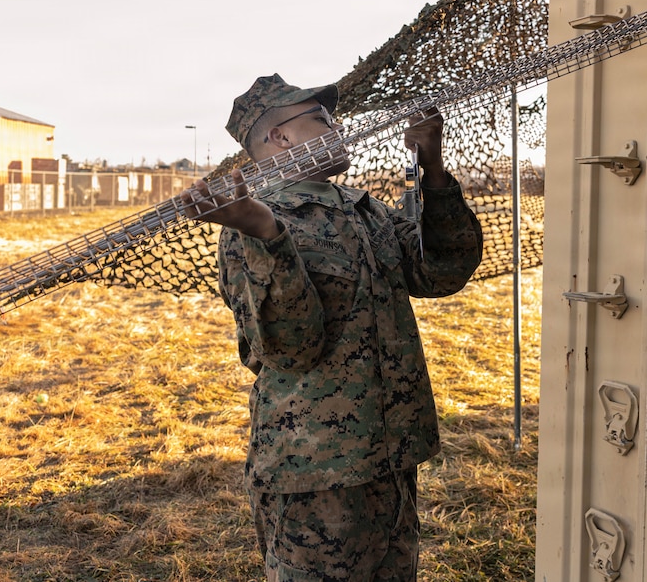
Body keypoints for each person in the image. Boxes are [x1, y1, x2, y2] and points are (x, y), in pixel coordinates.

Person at [179, 74, 483, 581]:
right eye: (320, 118)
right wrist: (266, 234)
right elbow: (291, 348)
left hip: (390, 459)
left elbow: (444, 270)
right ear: (280, 138)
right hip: (316, 475)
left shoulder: (364, 211)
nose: (338, 127)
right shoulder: (254, 222)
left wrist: (432, 168)